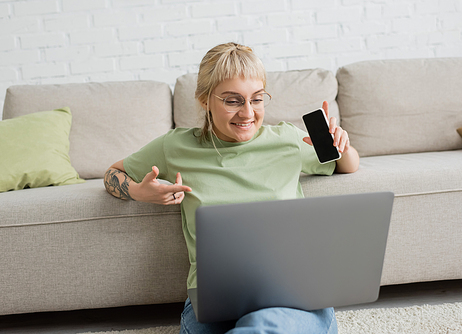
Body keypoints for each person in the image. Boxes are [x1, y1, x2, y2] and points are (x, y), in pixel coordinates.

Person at [104, 42, 359, 334]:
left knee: (264, 326)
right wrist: (138, 191)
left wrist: (342, 145)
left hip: (290, 290)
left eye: (257, 99)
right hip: (216, 297)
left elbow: (346, 165)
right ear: (204, 99)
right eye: (233, 101)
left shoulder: (288, 140)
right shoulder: (175, 146)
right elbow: (113, 173)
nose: (247, 113)